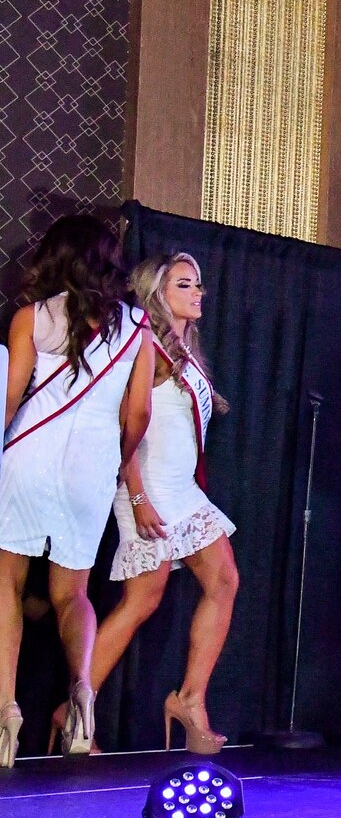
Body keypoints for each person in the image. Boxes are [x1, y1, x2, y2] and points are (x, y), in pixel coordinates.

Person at [0, 215, 155, 765]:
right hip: (90, 469)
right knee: (74, 594)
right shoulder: (138, 329)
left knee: (7, 581)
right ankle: (83, 693)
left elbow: (10, 398)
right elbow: (138, 413)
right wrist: (117, 463)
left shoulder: (32, 318)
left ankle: (5, 712)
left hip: (28, 458)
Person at [83, 254, 240, 756]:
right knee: (141, 602)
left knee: (222, 580)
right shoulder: (144, 344)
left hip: (179, 487)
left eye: (199, 284)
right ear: (157, 292)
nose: (199, 293)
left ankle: (190, 699)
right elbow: (122, 425)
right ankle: (74, 711)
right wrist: (137, 494)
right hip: (146, 485)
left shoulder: (182, 350)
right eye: (185, 284)